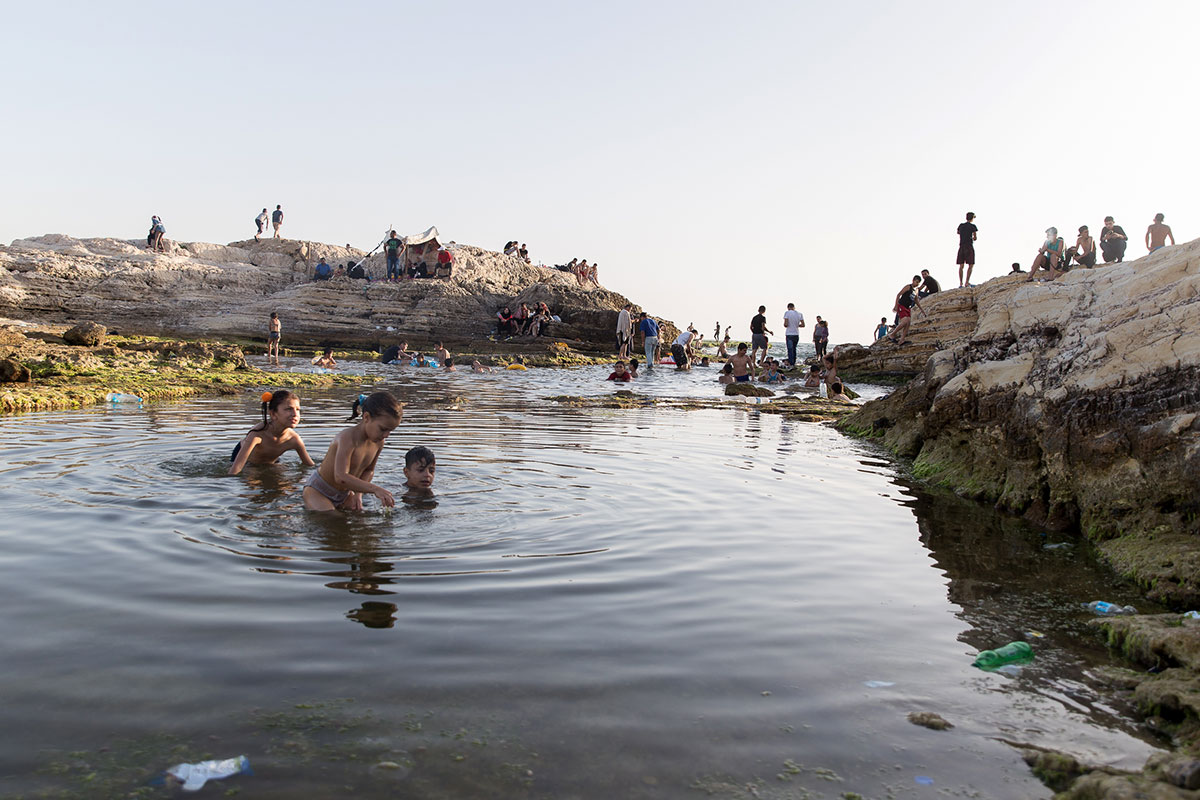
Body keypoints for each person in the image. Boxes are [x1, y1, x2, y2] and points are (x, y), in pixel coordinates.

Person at [303, 391, 401, 511]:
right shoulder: (347, 438)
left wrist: (358, 494)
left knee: (357, 518)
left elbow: (369, 470)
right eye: (383, 429)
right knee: (331, 517)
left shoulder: (379, 442)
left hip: (345, 493)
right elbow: (340, 477)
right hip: (318, 491)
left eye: (390, 431)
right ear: (366, 417)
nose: (386, 435)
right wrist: (375, 489)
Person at [229, 390, 315, 475]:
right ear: (273, 414)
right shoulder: (257, 435)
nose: (295, 414)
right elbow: (236, 469)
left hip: (270, 462)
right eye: (289, 409)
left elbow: (310, 466)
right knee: (251, 476)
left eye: (298, 409)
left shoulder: (294, 439)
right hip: (246, 460)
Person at [888, 275, 926, 344]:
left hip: (908, 308)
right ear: (913, 280)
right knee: (905, 321)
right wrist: (896, 305)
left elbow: (916, 301)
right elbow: (899, 294)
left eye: (918, 283)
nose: (917, 284)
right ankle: (892, 334)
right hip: (901, 305)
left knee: (908, 322)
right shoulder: (908, 287)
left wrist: (922, 310)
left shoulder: (916, 291)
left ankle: (902, 340)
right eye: (916, 282)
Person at [957, 212, 978, 288]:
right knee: (971, 264)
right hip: (969, 246)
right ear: (972, 218)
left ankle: (961, 283)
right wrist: (971, 237)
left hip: (961, 246)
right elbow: (975, 238)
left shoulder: (961, 225)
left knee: (961, 265)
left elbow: (958, 232)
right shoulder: (973, 226)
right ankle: (967, 282)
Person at [782, 302, 805, 366]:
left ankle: (791, 363)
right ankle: (794, 362)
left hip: (789, 333)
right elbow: (803, 325)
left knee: (790, 350)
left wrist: (785, 324)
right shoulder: (799, 314)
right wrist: (797, 325)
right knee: (794, 349)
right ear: (794, 307)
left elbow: (786, 324)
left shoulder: (787, 313)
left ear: (788, 307)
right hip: (796, 333)